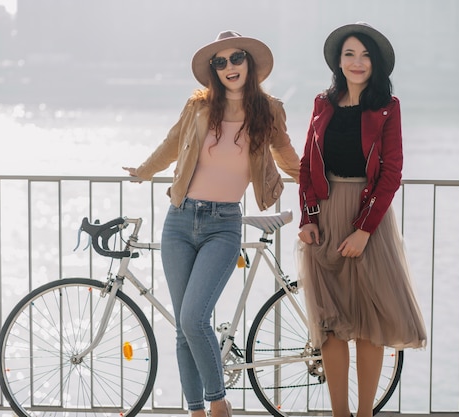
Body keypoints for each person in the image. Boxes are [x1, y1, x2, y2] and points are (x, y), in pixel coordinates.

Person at [123, 30, 300, 417]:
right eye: (220, 62)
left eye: (236, 58)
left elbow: (285, 154)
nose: (229, 67)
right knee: (184, 328)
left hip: (224, 224)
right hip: (180, 219)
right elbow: (173, 144)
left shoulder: (267, 110)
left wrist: (316, 181)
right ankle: (196, 411)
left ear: (249, 64)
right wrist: (145, 170)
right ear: (213, 71)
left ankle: (218, 402)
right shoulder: (199, 107)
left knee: (193, 317)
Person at [297, 22, 427, 417]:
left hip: (367, 220)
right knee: (331, 323)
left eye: (365, 55)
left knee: (369, 321)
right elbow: (307, 164)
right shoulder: (324, 103)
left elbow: (392, 173)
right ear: (339, 60)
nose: (357, 62)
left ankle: (365, 413)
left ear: (377, 64)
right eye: (350, 54)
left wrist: (364, 231)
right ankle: (339, 414)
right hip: (326, 212)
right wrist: (308, 217)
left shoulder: (388, 107)